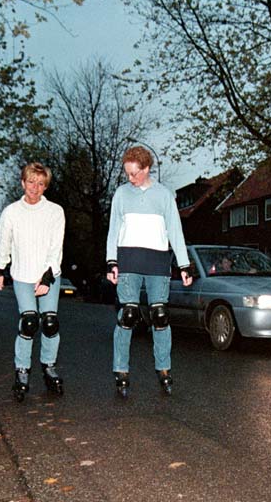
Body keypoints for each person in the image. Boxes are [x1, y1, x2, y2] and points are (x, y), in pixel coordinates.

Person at [106, 146, 193, 397]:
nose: (130, 178)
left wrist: (184, 264)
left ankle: (164, 369)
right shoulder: (121, 194)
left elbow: (175, 231)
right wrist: (112, 261)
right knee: (128, 315)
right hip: (129, 259)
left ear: (146, 169)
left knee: (160, 316)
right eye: (127, 173)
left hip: (157, 260)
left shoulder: (164, 195)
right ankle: (121, 371)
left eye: (134, 173)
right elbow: (113, 230)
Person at [0, 162, 66, 401]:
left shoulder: (55, 211)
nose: (35, 187)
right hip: (23, 275)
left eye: (41, 183)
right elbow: (4, 243)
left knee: (50, 323)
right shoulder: (11, 212)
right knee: (29, 323)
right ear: (23, 183)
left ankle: (49, 365)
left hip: (48, 274)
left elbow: (56, 248)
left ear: (45, 186)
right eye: (31, 182)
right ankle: (22, 371)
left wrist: (47, 276)